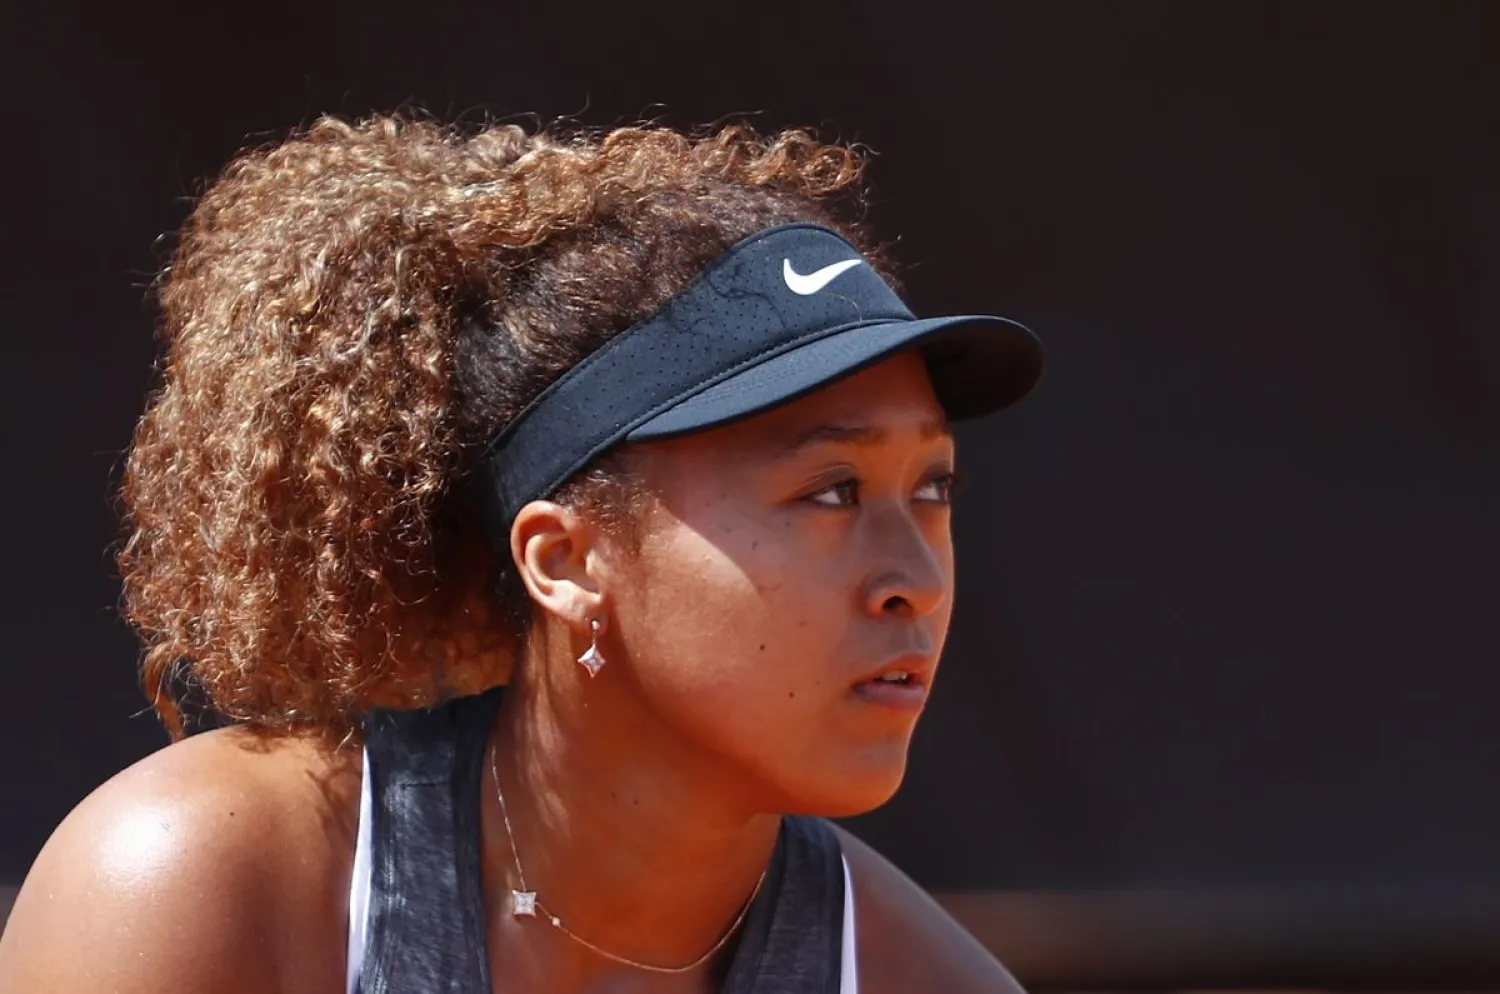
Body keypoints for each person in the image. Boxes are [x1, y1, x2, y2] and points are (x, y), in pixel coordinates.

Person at [0, 112, 1042, 993]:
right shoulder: (196, 885)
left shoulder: (920, 977)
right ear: (565, 560)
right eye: (832, 491)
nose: (917, 582)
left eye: (933, 488)